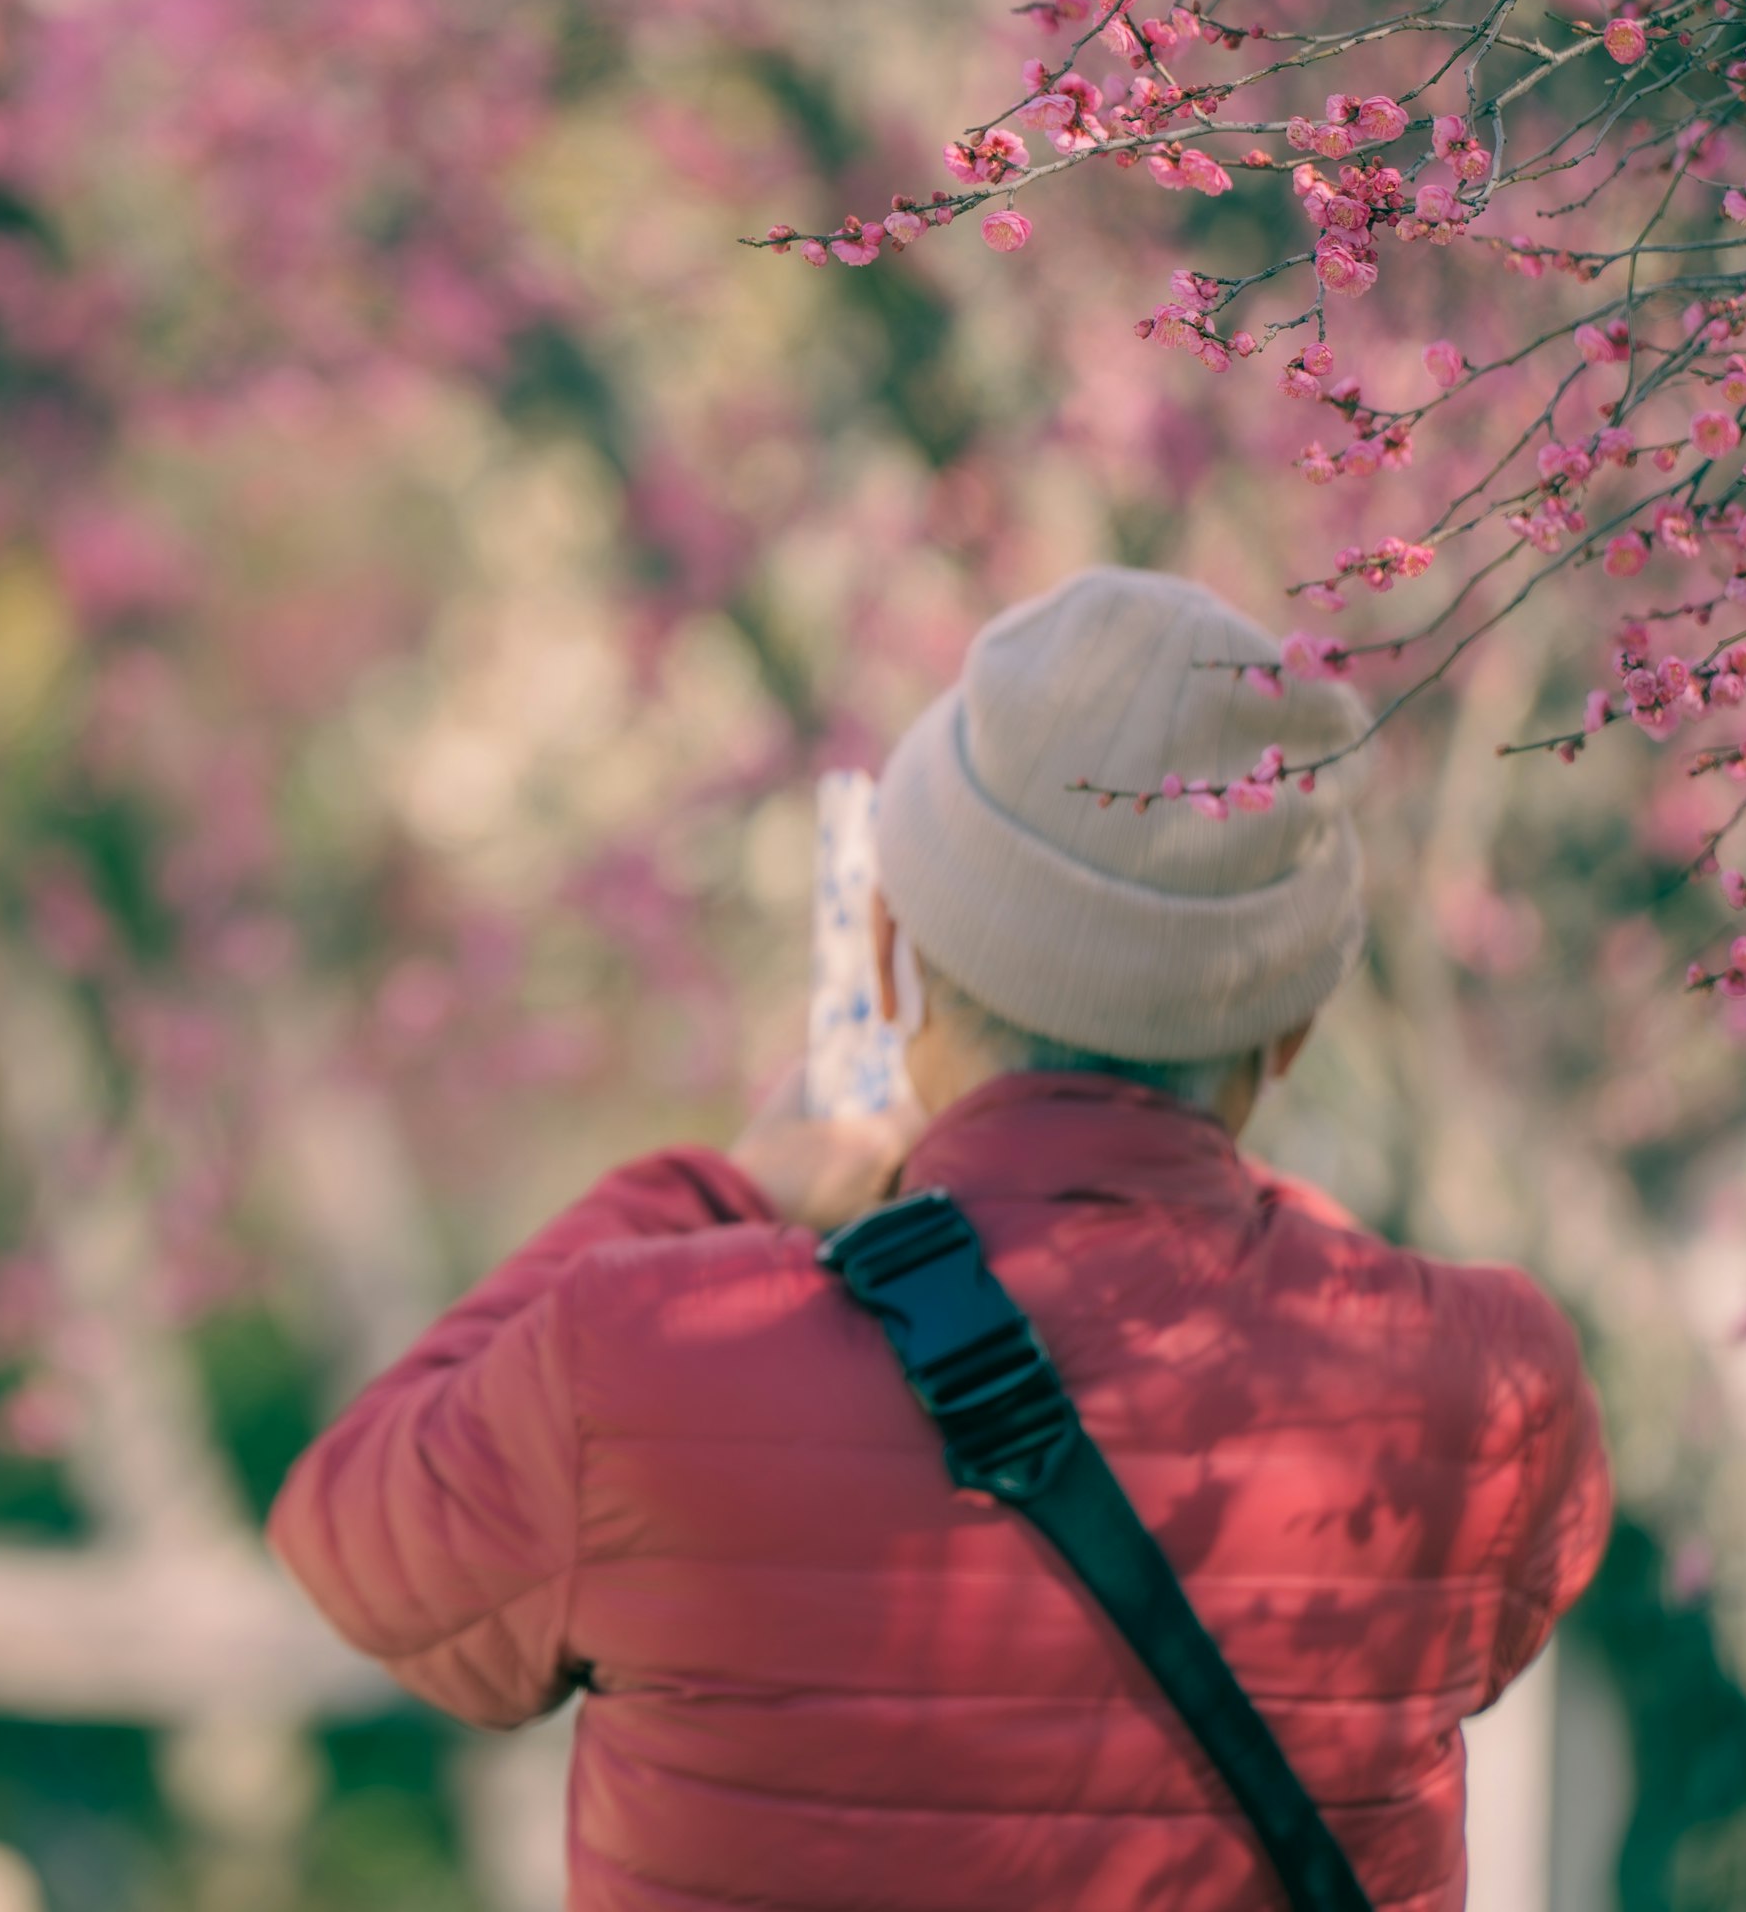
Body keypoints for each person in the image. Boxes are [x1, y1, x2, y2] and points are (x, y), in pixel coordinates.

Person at [268, 568, 1610, 1910]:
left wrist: (726, 1189)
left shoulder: (640, 1360)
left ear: (893, 950)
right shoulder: (1487, 1386)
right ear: (1294, 1027)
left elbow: (356, 1536)